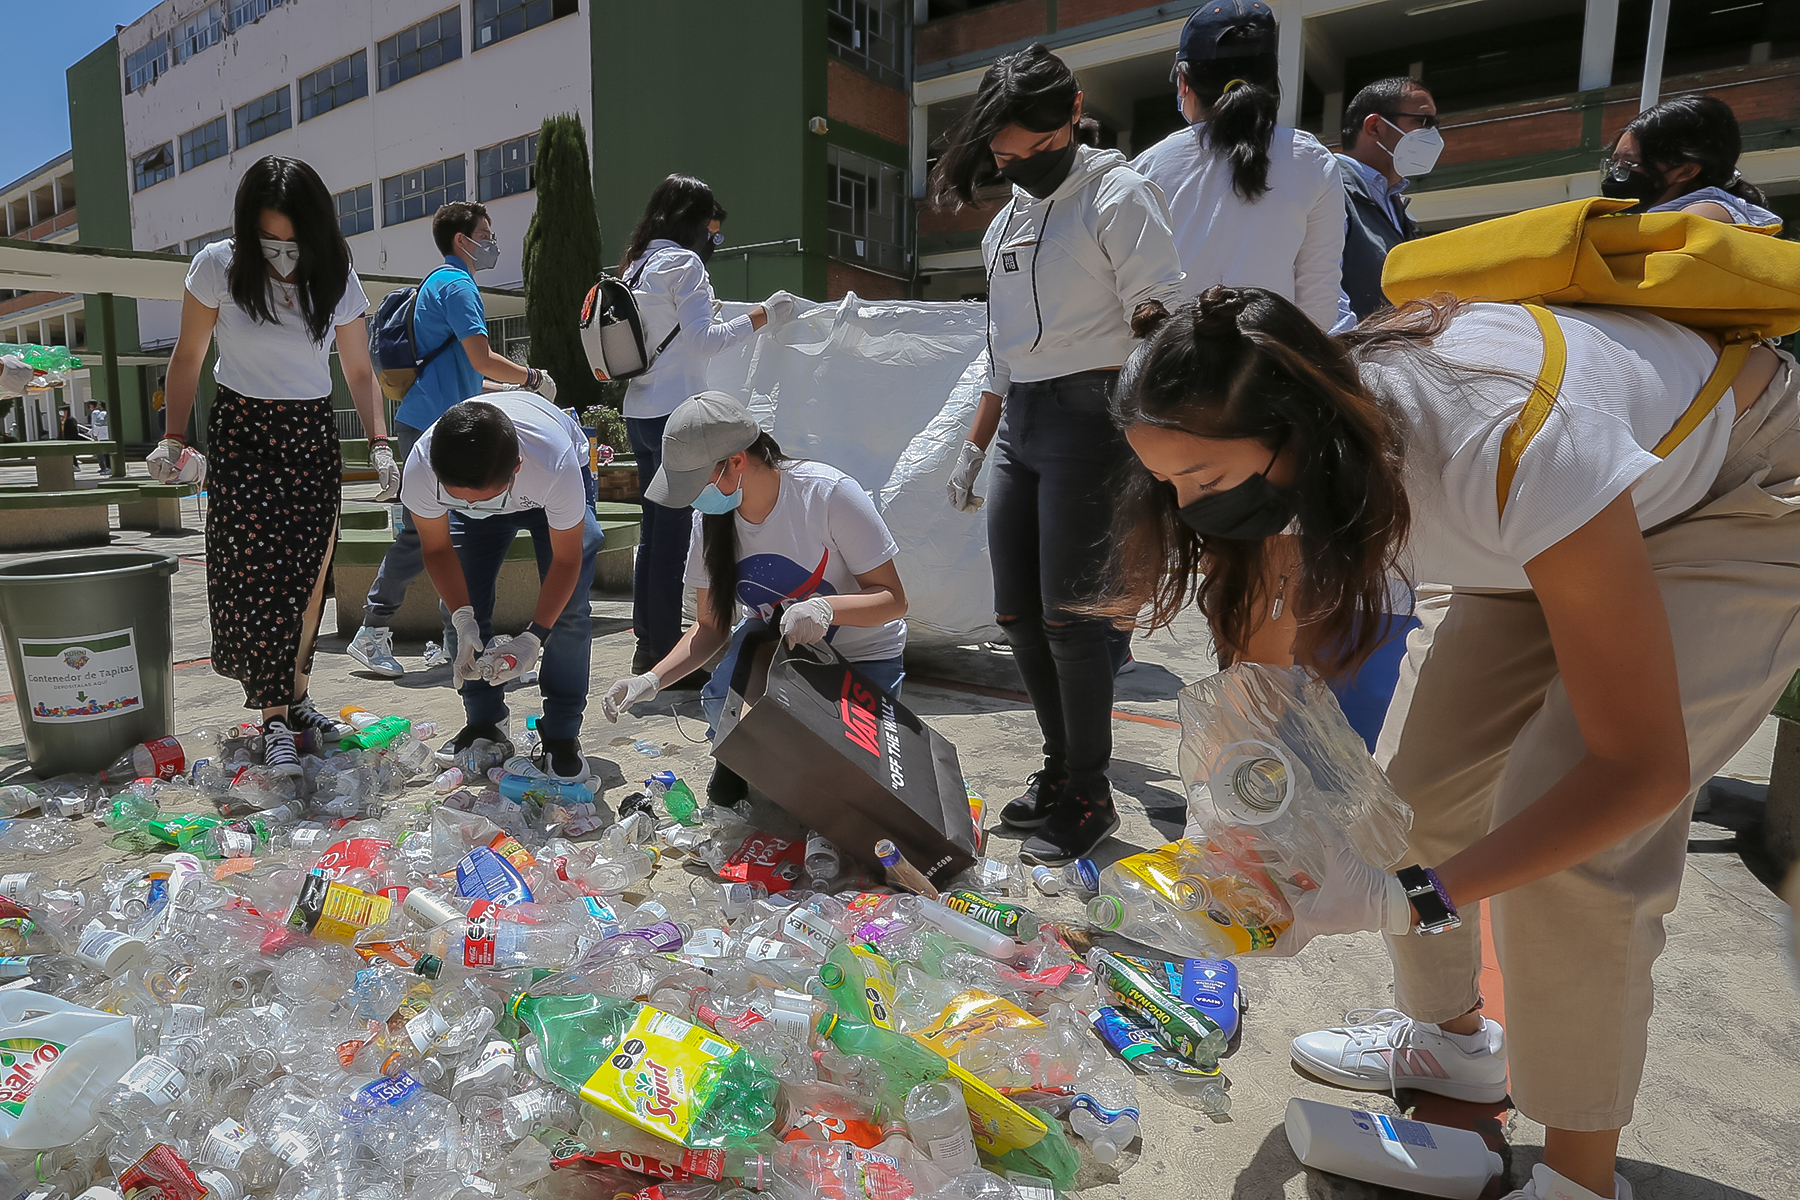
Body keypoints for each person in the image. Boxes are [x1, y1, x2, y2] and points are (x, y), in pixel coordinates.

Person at [1105, 285, 1796, 1200]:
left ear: (1300, 432)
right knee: (1411, 804)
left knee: (1574, 856)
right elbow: (1262, 665)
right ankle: (1455, 1041)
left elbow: (1639, 769)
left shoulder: (1499, 442)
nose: (1190, 509)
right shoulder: (1300, 437)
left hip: (1723, 495)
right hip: (1543, 521)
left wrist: (1404, 903)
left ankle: (1580, 1182)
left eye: (1206, 481)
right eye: (1169, 485)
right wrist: (1239, 833)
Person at [936, 43, 1185, 865]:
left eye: (1037, 151)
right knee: (1017, 616)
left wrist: (1155, 440)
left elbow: (1163, 317)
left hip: (1096, 415)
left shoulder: (1117, 193)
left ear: (1072, 114)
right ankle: (1057, 767)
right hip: (1024, 425)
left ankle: (1090, 789)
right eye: (1006, 155)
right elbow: (1001, 351)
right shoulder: (1006, 223)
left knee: (1072, 622)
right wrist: (974, 447)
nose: (1023, 167)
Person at [155, 155, 396, 774]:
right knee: (256, 572)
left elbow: (361, 371)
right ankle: (272, 716)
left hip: (310, 433)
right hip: (243, 430)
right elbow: (188, 356)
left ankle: (297, 692)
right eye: (269, 240)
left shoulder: (334, 272)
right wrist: (174, 435)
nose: (282, 254)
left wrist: (379, 444)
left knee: (312, 569)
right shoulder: (217, 266)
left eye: (293, 241)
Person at [600, 391, 908, 807]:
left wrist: (824, 607)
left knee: (844, 768)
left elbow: (892, 601)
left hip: (862, 652)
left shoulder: (828, 495)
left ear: (737, 462)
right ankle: (737, 760)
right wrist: (651, 680)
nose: (693, 498)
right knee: (720, 700)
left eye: (698, 482)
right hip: (775, 646)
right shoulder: (710, 522)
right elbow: (710, 626)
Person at [348, 200, 557, 679]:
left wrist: (508, 388)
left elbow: (467, 376)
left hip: (434, 420)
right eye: (486, 233)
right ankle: (374, 629)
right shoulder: (459, 285)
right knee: (422, 532)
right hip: (433, 427)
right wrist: (531, 377)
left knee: (447, 529)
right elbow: (482, 358)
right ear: (463, 240)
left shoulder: (436, 284)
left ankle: (450, 639)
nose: (492, 242)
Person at [618, 175, 799, 683]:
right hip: (680, 418)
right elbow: (700, 342)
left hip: (639, 412)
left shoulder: (635, 266)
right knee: (674, 539)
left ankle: (647, 645)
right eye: (711, 229)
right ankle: (666, 659)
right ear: (694, 223)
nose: (712, 241)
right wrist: (765, 315)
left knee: (655, 536)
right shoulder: (683, 262)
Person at [403, 391, 605, 781]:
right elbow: (438, 548)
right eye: (459, 499)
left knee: (570, 612)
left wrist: (534, 638)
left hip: (543, 493)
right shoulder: (422, 467)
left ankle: (562, 734)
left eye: (486, 500)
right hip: (486, 479)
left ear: (516, 467)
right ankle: (484, 724)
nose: (476, 505)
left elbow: (567, 560)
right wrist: (462, 619)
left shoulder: (553, 460)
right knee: (458, 609)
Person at [1131, 1, 1344, 331]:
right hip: (1273, 366)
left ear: (1183, 82)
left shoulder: (1144, 168)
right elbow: (1319, 303)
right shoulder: (1313, 161)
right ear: (1273, 80)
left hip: (1173, 368)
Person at [1334, 76, 1439, 324]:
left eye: (1436, 124)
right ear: (1375, 127)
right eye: (1423, 122)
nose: (1433, 134)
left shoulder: (1401, 211)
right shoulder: (1328, 189)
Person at [1602, 94, 1779, 227]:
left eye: (1631, 164)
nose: (1617, 172)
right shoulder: (1663, 214)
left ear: (1686, 171)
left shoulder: (1703, 214)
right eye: (1615, 162)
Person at [86, 401, 111, 473]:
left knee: (101, 453)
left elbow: (97, 425)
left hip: (101, 436)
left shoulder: (100, 414)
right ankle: (106, 467)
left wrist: (94, 434)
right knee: (106, 453)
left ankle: (105, 468)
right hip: (106, 435)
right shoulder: (106, 413)